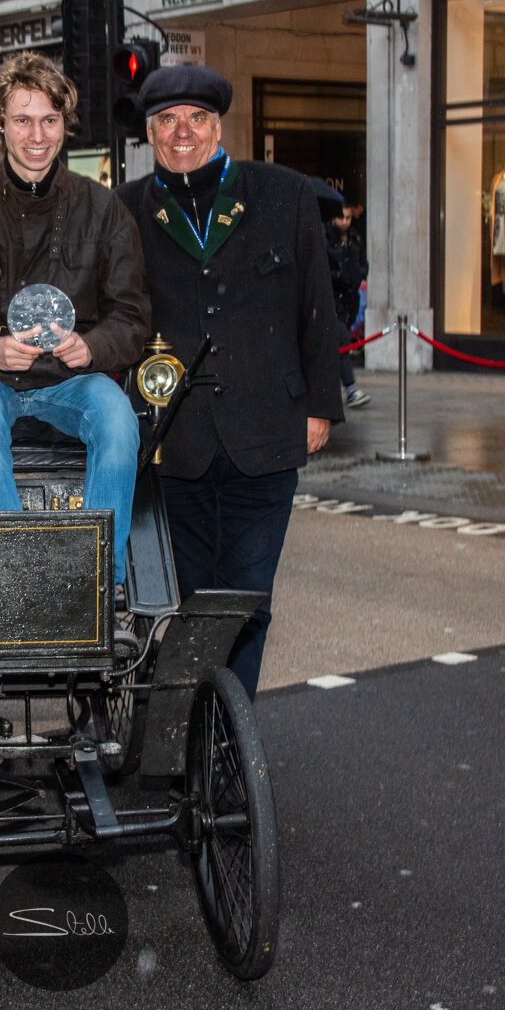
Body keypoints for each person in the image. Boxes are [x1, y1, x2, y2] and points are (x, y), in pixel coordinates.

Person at [113, 65, 343, 700]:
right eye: (166, 121)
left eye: (196, 119)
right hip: (170, 440)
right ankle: (186, 730)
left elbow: (316, 306)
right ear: (150, 134)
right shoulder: (124, 209)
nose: (181, 132)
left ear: (218, 126)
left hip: (266, 430)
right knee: (186, 603)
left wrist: (320, 404)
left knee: (246, 601)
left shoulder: (285, 195)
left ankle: (224, 742)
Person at [0, 52, 148, 586]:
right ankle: (14, 581)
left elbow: (132, 316)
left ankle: (101, 585)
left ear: (65, 126)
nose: (37, 135)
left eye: (49, 120)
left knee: (118, 419)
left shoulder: (104, 210)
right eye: (23, 119)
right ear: (0, 123)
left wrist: (93, 347)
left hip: (73, 380)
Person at [326, 204, 370, 408]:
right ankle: (350, 389)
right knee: (341, 341)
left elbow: (362, 262)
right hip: (331, 299)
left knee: (335, 345)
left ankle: (333, 390)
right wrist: (339, 276)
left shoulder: (354, 238)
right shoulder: (324, 236)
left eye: (348, 218)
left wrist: (358, 274)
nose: (344, 222)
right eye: (341, 217)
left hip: (349, 299)